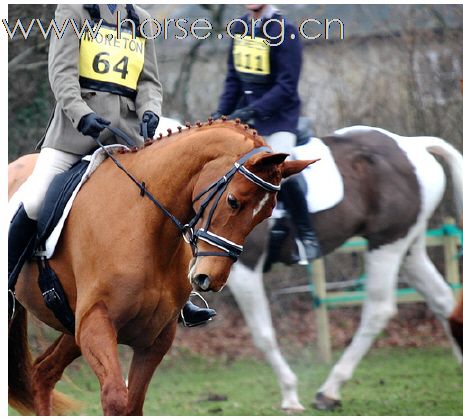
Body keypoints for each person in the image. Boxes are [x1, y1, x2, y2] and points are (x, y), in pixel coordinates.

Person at [8, 4, 215, 327]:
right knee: (34, 199)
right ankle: (7, 283)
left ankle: (183, 297)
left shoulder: (140, 20)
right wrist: (81, 114)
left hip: (127, 137)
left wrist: (149, 110)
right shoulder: (72, 12)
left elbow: (148, 81)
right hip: (75, 134)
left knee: (165, 199)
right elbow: (61, 75)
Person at [211, 4, 321, 263]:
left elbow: (286, 87)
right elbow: (233, 80)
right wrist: (221, 114)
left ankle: (307, 235)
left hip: (278, 120)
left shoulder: (286, 31)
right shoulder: (239, 28)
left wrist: (253, 110)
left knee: (282, 166)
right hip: (247, 118)